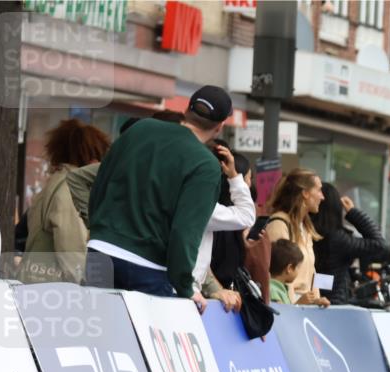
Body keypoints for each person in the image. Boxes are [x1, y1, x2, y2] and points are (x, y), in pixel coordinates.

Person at [85, 85, 232, 309]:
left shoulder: (141, 129)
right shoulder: (206, 164)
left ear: (186, 109)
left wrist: (98, 231)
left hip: (101, 249)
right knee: (138, 343)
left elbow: (101, 182)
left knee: (97, 335)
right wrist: (185, 287)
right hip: (148, 266)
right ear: (220, 126)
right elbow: (186, 230)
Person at [19, 119, 111, 284]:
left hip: (35, 282)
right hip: (53, 289)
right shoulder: (70, 189)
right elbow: (72, 248)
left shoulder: (55, 183)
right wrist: (85, 286)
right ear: (92, 161)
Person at [193, 141, 255, 313]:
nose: (249, 184)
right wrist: (234, 175)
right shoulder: (203, 208)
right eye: (247, 178)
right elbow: (246, 215)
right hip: (185, 294)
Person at [311, 183, 389, 305]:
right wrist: (353, 213)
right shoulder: (337, 239)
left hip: (310, 300)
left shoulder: (305, 231)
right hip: (335, 304)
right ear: (335, 207)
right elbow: (379, 244)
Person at [264, 169, 330, 306]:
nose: (322, 197)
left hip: (304, 308)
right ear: (305, 193)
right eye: (318, 190)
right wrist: (295, 305)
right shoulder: (279, 224)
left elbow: (312, 271)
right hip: (290, 308)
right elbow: (278, 274)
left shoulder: (305, 228)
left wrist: (317, 300)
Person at [269, 239, 304, 305]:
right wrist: (300, 304)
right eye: (298, 267)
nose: (299, 271)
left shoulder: (277, 289)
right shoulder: (273, 291)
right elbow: (282, 314)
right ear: (289, 268)